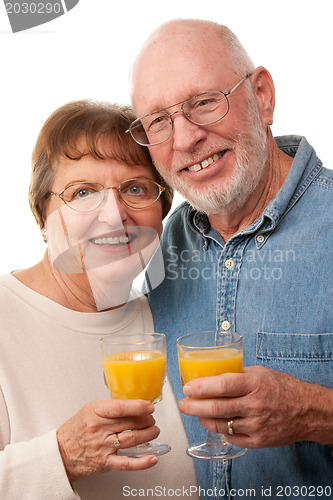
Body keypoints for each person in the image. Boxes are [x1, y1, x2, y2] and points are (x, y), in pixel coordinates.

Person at [129, 19, 333, 499]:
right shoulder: (159, 241)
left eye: (202, 102)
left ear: (262, 96)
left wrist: (316, 412)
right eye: (159, 120)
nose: (185, 139)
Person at [0, 99, 200, 500]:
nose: (113, 215)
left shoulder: (171, 318)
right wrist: (62, 455)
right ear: (43, 215)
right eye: (84, 192)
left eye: (135, 189)